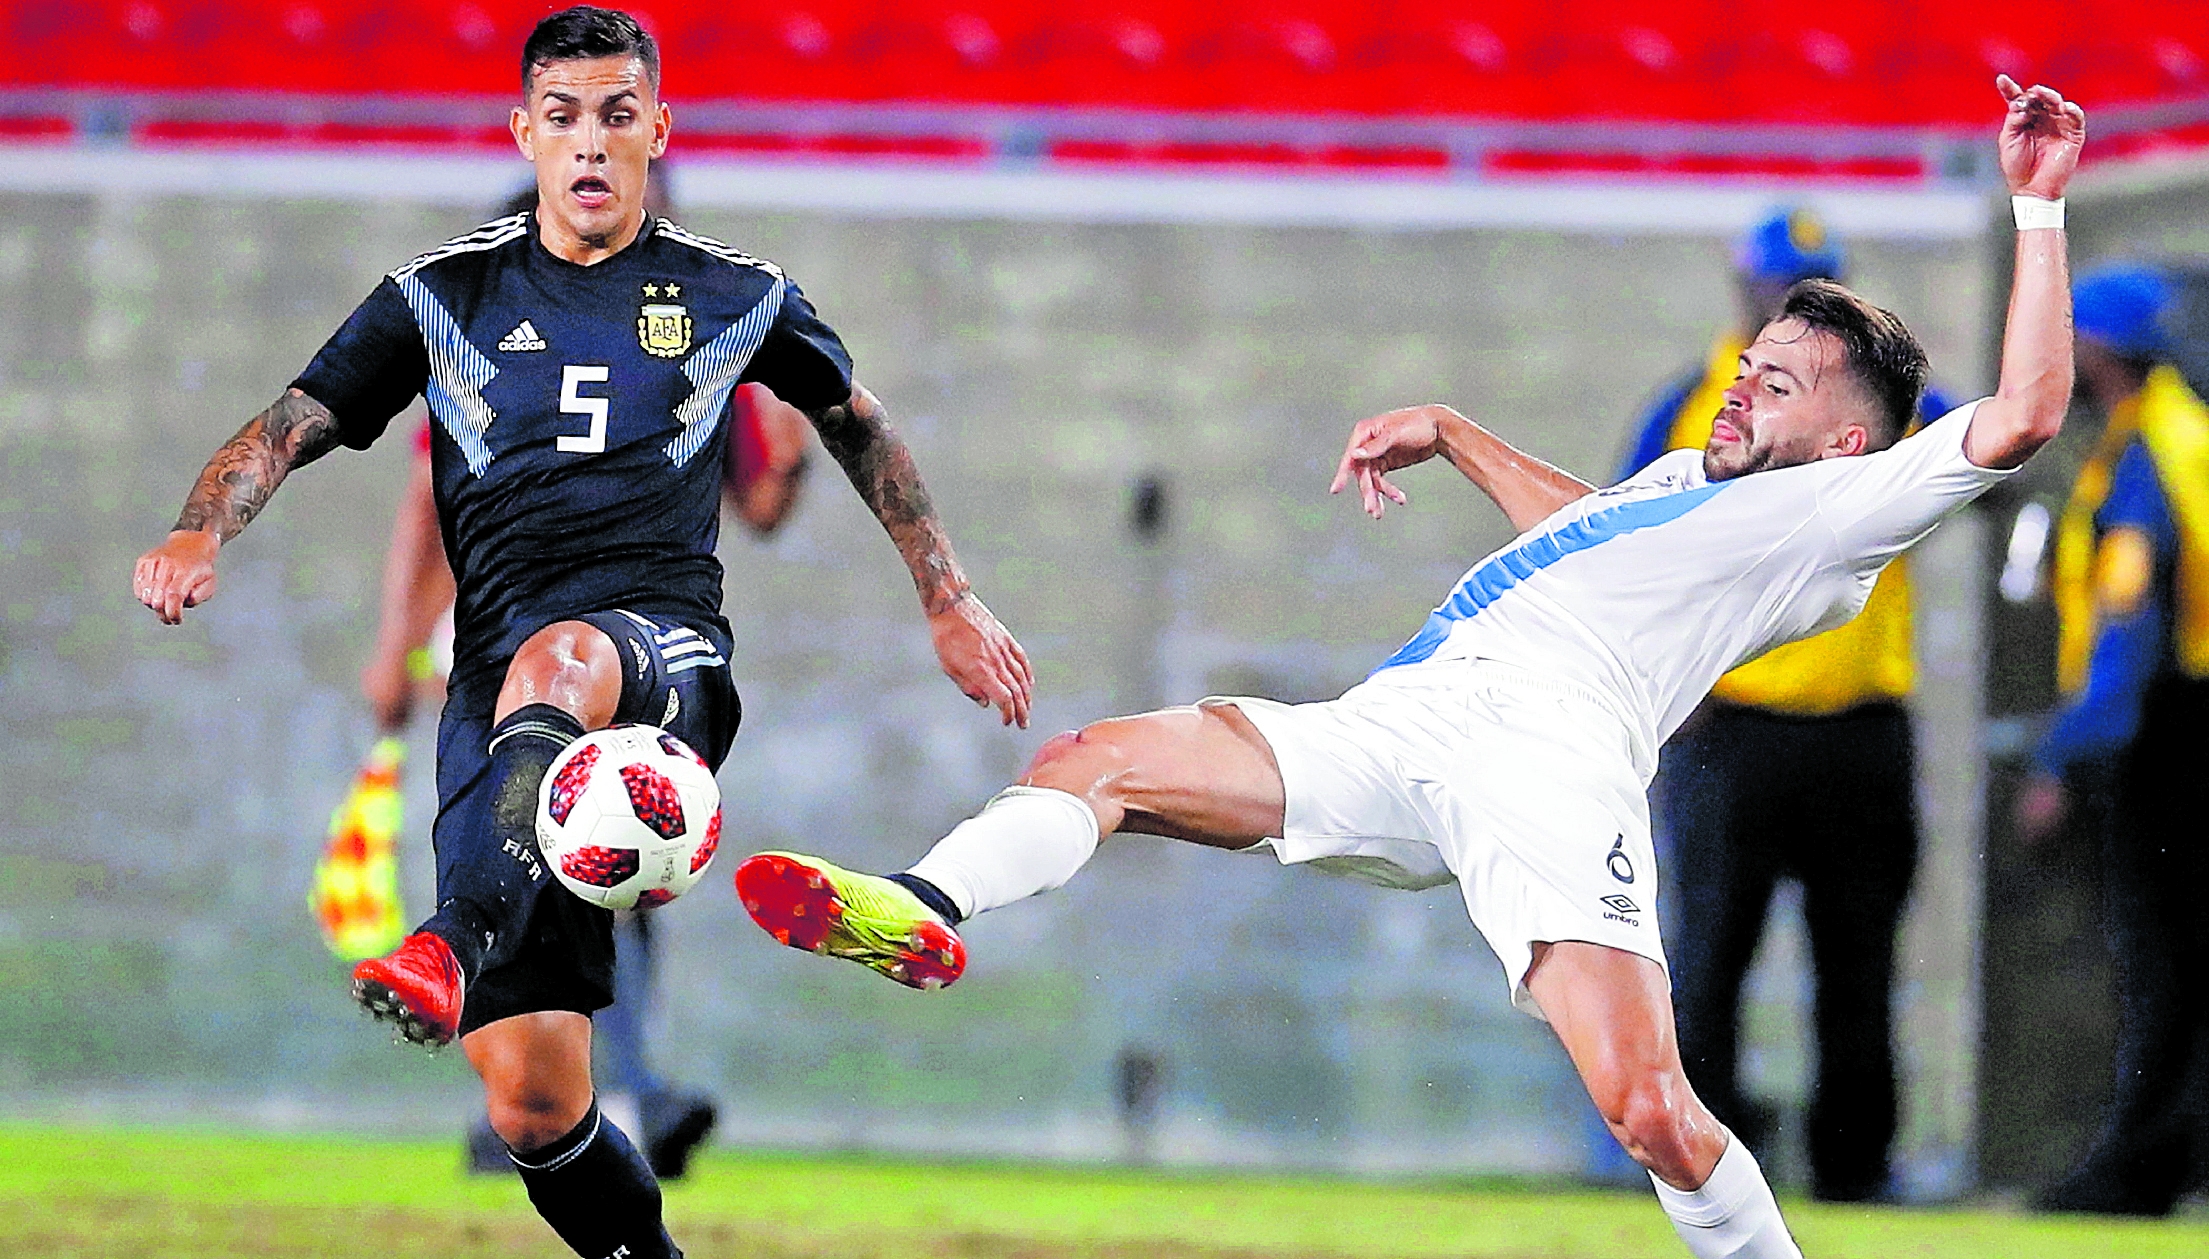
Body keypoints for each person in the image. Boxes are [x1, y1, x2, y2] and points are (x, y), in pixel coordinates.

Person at [733, 78, 2084, 1259]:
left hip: (1551, 766)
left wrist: (2036, 207)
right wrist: (1449, 427)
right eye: (1751, 364)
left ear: (1848, 445)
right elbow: (1586, 528)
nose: (1742, 387)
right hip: (1404, 718)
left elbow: (2023, 411)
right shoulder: (1688, 476)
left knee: (1650, 1108)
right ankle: (921, 906)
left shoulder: (1834, 514)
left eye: (1780, 384)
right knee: (1101, 763)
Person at [130, 9, 1032, 1259]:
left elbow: (858, 422)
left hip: (665, 668)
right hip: (491, 702)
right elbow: (289, 423)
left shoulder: (735, 295)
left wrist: (947, 594)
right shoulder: (441, 299)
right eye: (563, 116)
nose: (591, 142)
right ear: (524, 131)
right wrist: (197, 530)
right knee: (535, 1101)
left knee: (565, 659)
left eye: (618, 113)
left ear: (657, 129)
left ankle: (447, 941)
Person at [360, 177, 815, 1181]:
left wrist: (794, 463)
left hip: (634, 639)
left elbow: (760, 503)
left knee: (617, 867)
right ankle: (563, 1095)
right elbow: (427, 504)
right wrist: (397, 641)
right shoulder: (485, 338)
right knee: (533, 858)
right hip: (502, 642)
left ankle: (607, 1092)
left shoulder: (701, 343)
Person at [1617, 209, 1956, 1201]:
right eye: (1779, 290)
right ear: (1744, 292)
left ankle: (1856, 1171)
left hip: (1859, 725)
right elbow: (1623, 543)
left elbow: (1991, 438)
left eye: (1811, 291)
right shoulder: (1694, 404)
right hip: (1736, 725)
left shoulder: (1899, 404)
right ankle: (1694, 1173)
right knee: (1708, 959)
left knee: (1857, 968)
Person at [2017, 262, 2209, 1216]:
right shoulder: (2182, 433)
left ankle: (2138, 1167)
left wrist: (2063, 755)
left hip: (2159, 734)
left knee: (2156, 960)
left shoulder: (2144, 458)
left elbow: (2129, 622)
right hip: (2182, 718)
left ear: (2098, 350)